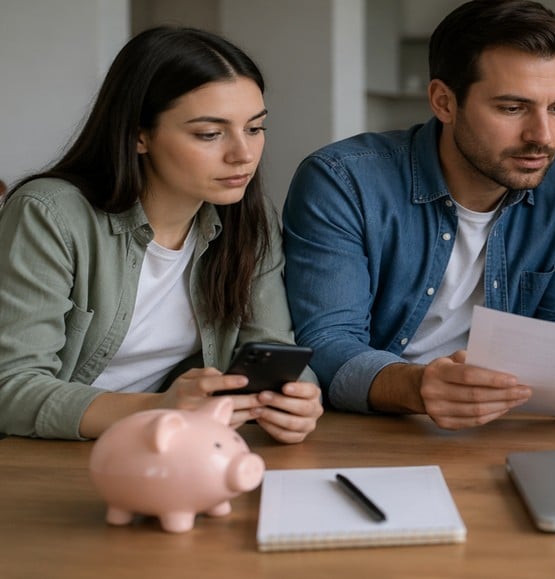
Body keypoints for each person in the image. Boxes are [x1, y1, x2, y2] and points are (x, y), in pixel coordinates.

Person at [283, 0, 555, 430]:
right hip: (375, 426)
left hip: (511, 422)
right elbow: (326, 342)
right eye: (512, 108)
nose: (542, 136)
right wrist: (418, 387)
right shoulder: (343, 180)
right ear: (444, 102)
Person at [0, 26, 323, 442]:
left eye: (255, 128)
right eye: (209, 134)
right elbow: (11, 387)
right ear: (139, 135)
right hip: (55, 454)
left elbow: (273, 347)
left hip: (177, 449)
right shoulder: (49, 214)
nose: (243, 154)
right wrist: (160, 409)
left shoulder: (250, 218)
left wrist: (298, 400)